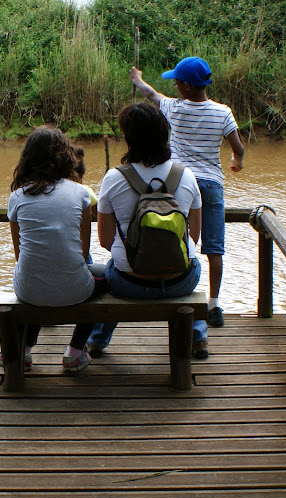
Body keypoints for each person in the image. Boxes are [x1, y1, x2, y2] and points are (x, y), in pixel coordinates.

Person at [85, 102, 208, 359]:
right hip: (180, 281)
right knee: (193, 264)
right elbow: (193, 238)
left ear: (129, 139)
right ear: (165, 135)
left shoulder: (114, 178)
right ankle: (197, 335)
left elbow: (105, 241)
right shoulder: (187, 176)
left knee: (108, 272)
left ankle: (97, 340)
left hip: (129, 283)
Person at [129, 56, 245, 328]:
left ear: (187, 87)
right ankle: (214, 304)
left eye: (178, 82)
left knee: (180, 239)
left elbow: (151, 95)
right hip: (212, 185)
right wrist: (236, 162)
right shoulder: (223, 112)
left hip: (182, 183)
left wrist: (137, 79)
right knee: (215, 249)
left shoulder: (174, 108)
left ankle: (179, 292)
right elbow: (238, 148)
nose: (175, 86)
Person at [0, 126, 106, 372]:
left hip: (29, 290)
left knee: (34, 273)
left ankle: (23, 351)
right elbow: (83, 251)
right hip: (76, 289)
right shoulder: (80, 193)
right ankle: (75, 351)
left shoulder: (17, 197)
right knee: (107, 276)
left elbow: (20, 255)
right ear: (65, 156)